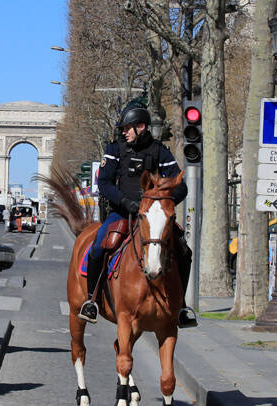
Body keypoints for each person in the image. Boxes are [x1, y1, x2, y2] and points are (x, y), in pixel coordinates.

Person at [78, 102, 197, 328]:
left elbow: (180, 186)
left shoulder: (160, 151)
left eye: (127, 128)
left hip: (152, 217)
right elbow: (103, 182)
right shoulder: (114, 150)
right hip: (122, 213)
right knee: (98, 247)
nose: (123, 132)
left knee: (184, 250)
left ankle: (180, 307)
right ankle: (91, 300)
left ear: (141, 126)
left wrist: (162, 205)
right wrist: (124, 202)